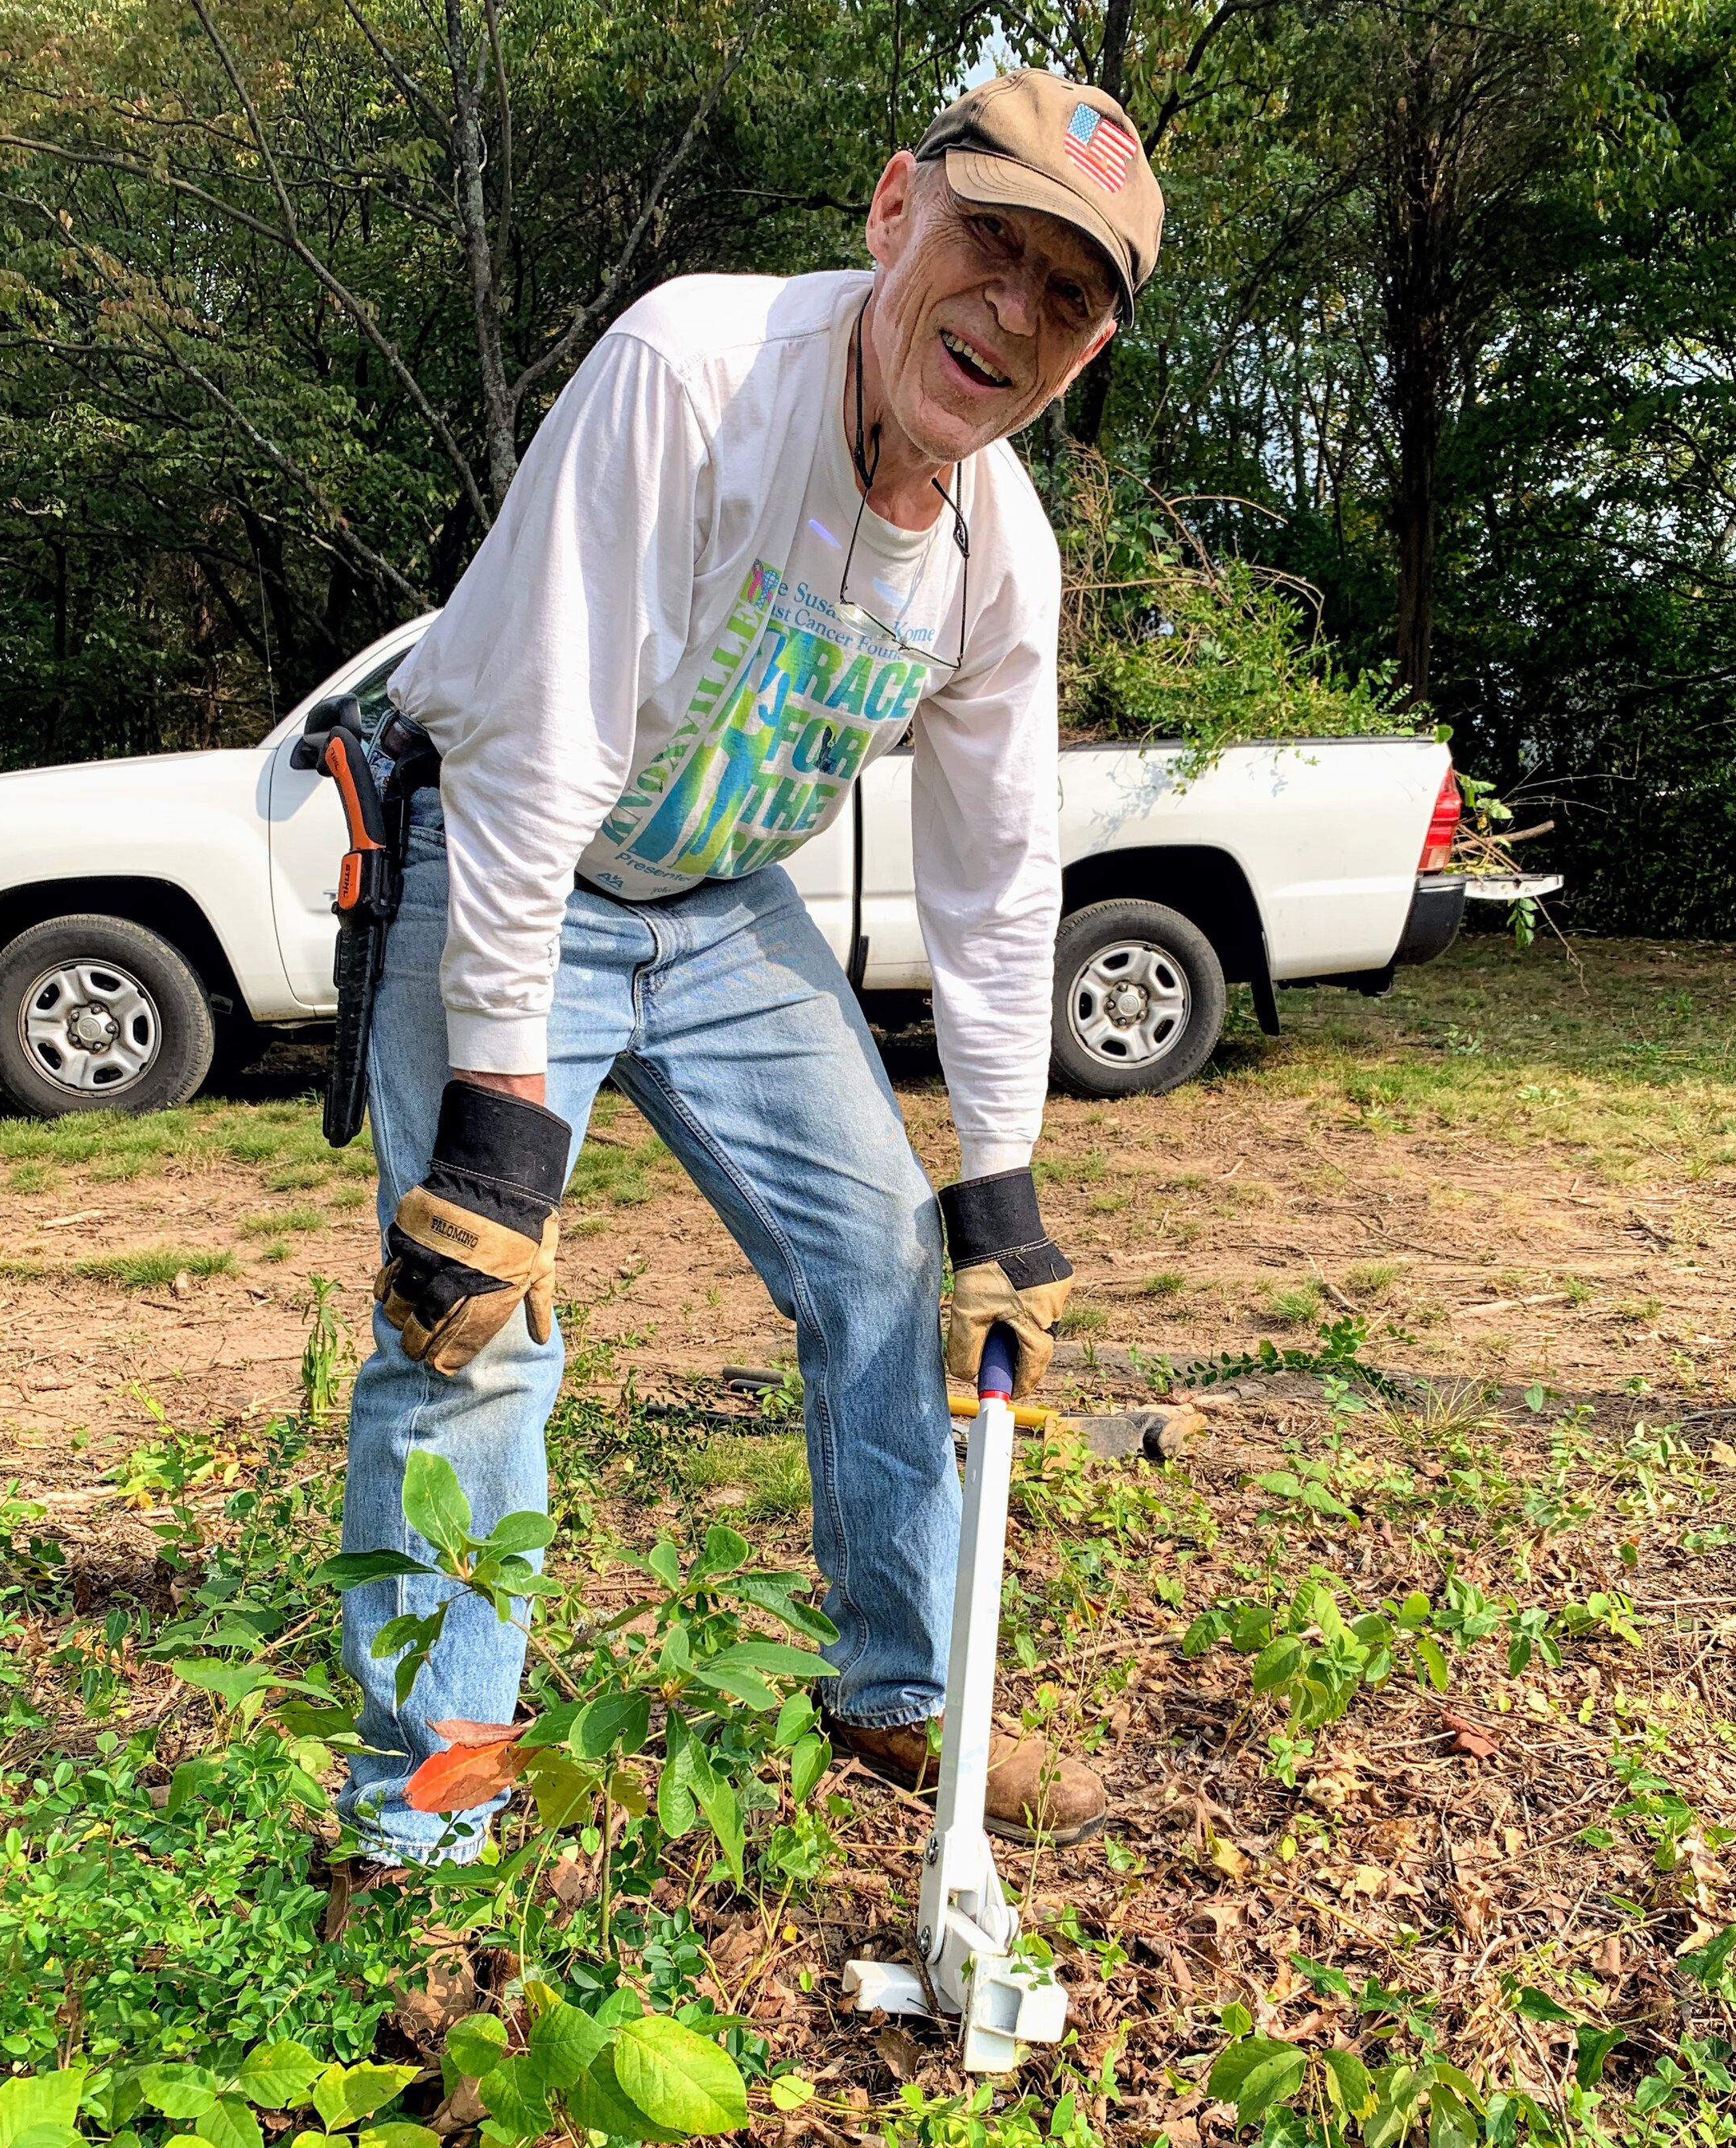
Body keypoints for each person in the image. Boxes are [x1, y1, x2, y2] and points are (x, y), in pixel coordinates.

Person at [329, 68, 1165, 1944]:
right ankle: (430, 1808)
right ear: (892, 213)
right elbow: (539, 755)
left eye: (1067, 293)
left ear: (1090, 343)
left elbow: (992, 876)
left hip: (716, 904)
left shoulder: (994, 553)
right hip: (508, 857)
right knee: (478, 1325)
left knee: (882, 1260)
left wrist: (1002, 1190)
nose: (1009, 312)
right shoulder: (692, 374)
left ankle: (898, 1698)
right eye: (988, 246)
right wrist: (497, 1130)